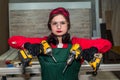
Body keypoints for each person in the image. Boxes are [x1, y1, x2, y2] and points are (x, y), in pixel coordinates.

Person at [8, 7, 112, 80]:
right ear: (50, 26)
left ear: (68, 25)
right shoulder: (43, 43)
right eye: (55, 23)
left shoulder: (77, 43)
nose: (59, 27)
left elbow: (107, 44)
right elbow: (12, 40)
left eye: (62, 23)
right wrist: (28, 46)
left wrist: (92, 50)